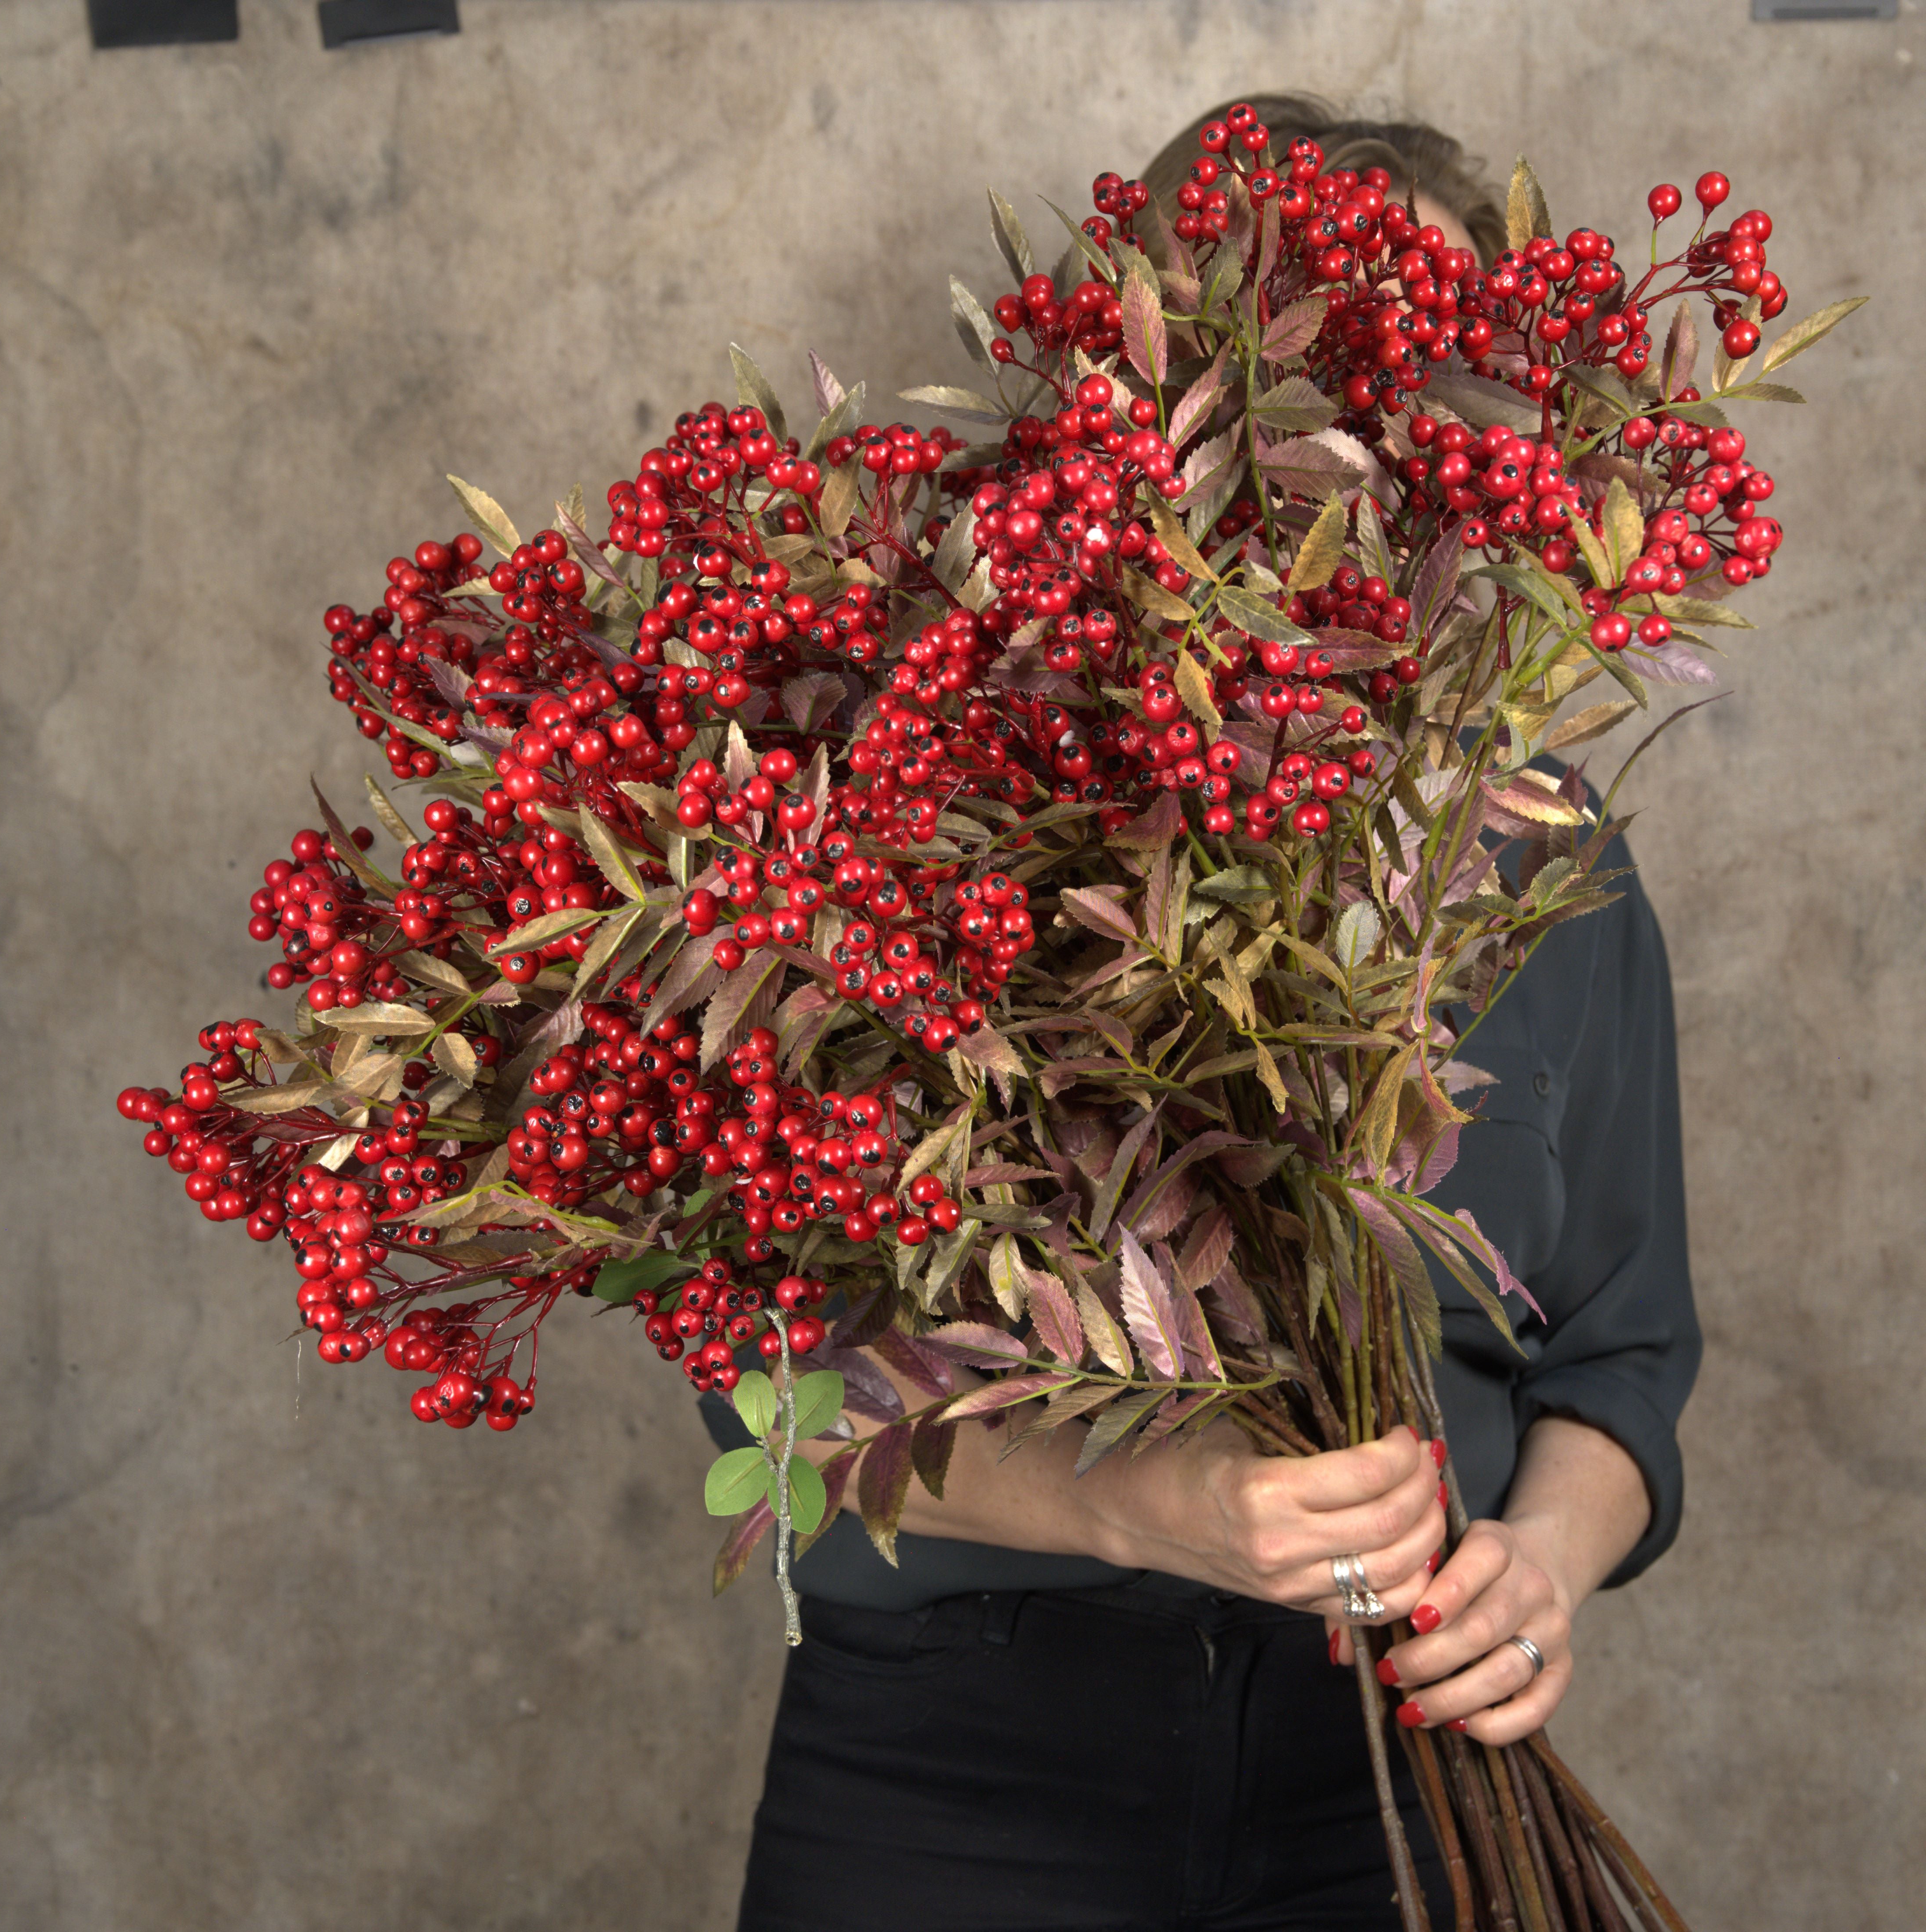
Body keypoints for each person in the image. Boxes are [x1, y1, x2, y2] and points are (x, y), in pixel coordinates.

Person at [709, 96, 1702, 1932]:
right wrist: (1136, 1508)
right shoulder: (917, 821)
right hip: (958, 1777)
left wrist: (1540, 1569)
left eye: (1414, 358)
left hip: (1400, 1779)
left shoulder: (1549, 859)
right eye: (1282, 344)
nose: (1352, 427)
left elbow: (1621, 1362)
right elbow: (763, 1391)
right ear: (1140, 372)